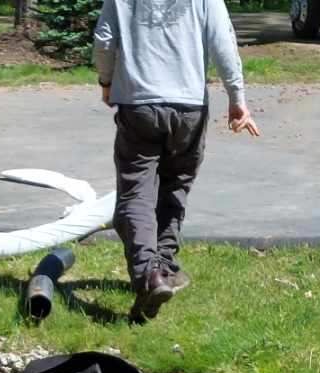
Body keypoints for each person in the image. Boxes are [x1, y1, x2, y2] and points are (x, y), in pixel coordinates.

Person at [93, 0, 260, 323]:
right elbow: (222, 41)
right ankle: (164, 268)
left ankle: (150, 275)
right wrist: (237, 99)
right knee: (175, 188)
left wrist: (106, 81)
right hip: (189, 108)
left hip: (139, 104)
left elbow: (104, 38)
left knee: (135, 196)